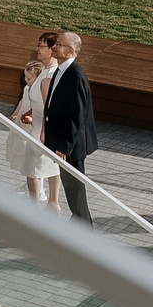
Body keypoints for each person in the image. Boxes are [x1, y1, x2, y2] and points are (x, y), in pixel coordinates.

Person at [42, 31, 99, 222]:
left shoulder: (75, 75)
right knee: (70, 186)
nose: (54, 47)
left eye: (59, 44)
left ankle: (83, 227)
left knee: (75, 187)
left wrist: (64, 146)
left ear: (71, 51)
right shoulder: (60, 70)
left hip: (71, 146)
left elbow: (78, 115)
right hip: (61, 141)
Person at [9, 31, 65, 211]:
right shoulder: (45, 71)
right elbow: (40, 100)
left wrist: (43, 132)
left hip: (42, 130)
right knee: (47, 168)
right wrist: (30, 111)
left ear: (51, 50)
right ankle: (51, 205)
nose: (37, 49)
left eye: (41, 46)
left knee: (33, 170)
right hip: (39, 127)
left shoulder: (50, 75)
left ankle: (44, 207)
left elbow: (51, 106)